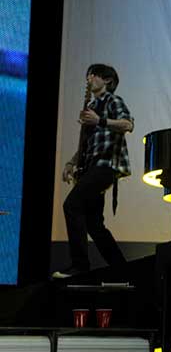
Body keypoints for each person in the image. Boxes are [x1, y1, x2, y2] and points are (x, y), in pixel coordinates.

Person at [53, 64, 135, 279]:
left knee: (72, 205)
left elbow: (127, 124)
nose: (89, 78)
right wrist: (71, 163)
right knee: (94, 224)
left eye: (93, 75)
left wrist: (100, 120)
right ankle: (122, 270)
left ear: (106, 80)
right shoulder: (91, 106)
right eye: (88, 75)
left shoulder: (112, 100)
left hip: (106, 165)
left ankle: (80, 266)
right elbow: (86, 144)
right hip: (91, 167)